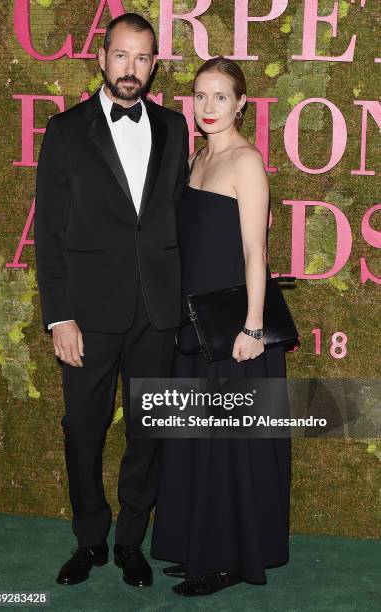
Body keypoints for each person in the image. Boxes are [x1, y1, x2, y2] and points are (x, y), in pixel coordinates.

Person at [34, 13, 189, 588]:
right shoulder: (66, 130)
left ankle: (130, 542)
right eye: (121, 56)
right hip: (88, 316)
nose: (131, 69)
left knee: (149, 431)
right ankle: (89, 539)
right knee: (84, 429)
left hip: (157, 312)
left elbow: (176, 219)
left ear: (154, 65)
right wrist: (59, 315)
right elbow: (49, 231)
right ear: (102, 58)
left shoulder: (175, 129)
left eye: (142, 58)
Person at [150, 57, 291, 597]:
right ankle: (197, 545)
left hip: (234, 328)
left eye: (220, 97)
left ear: (241, 104)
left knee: (231, 442)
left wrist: (254, 329)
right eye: (200, 96)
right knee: (195, 437)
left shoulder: (246, 162)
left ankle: (231, 559)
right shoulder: (195, 160)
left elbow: (256, 253)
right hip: (193, 324)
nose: (208, 107)